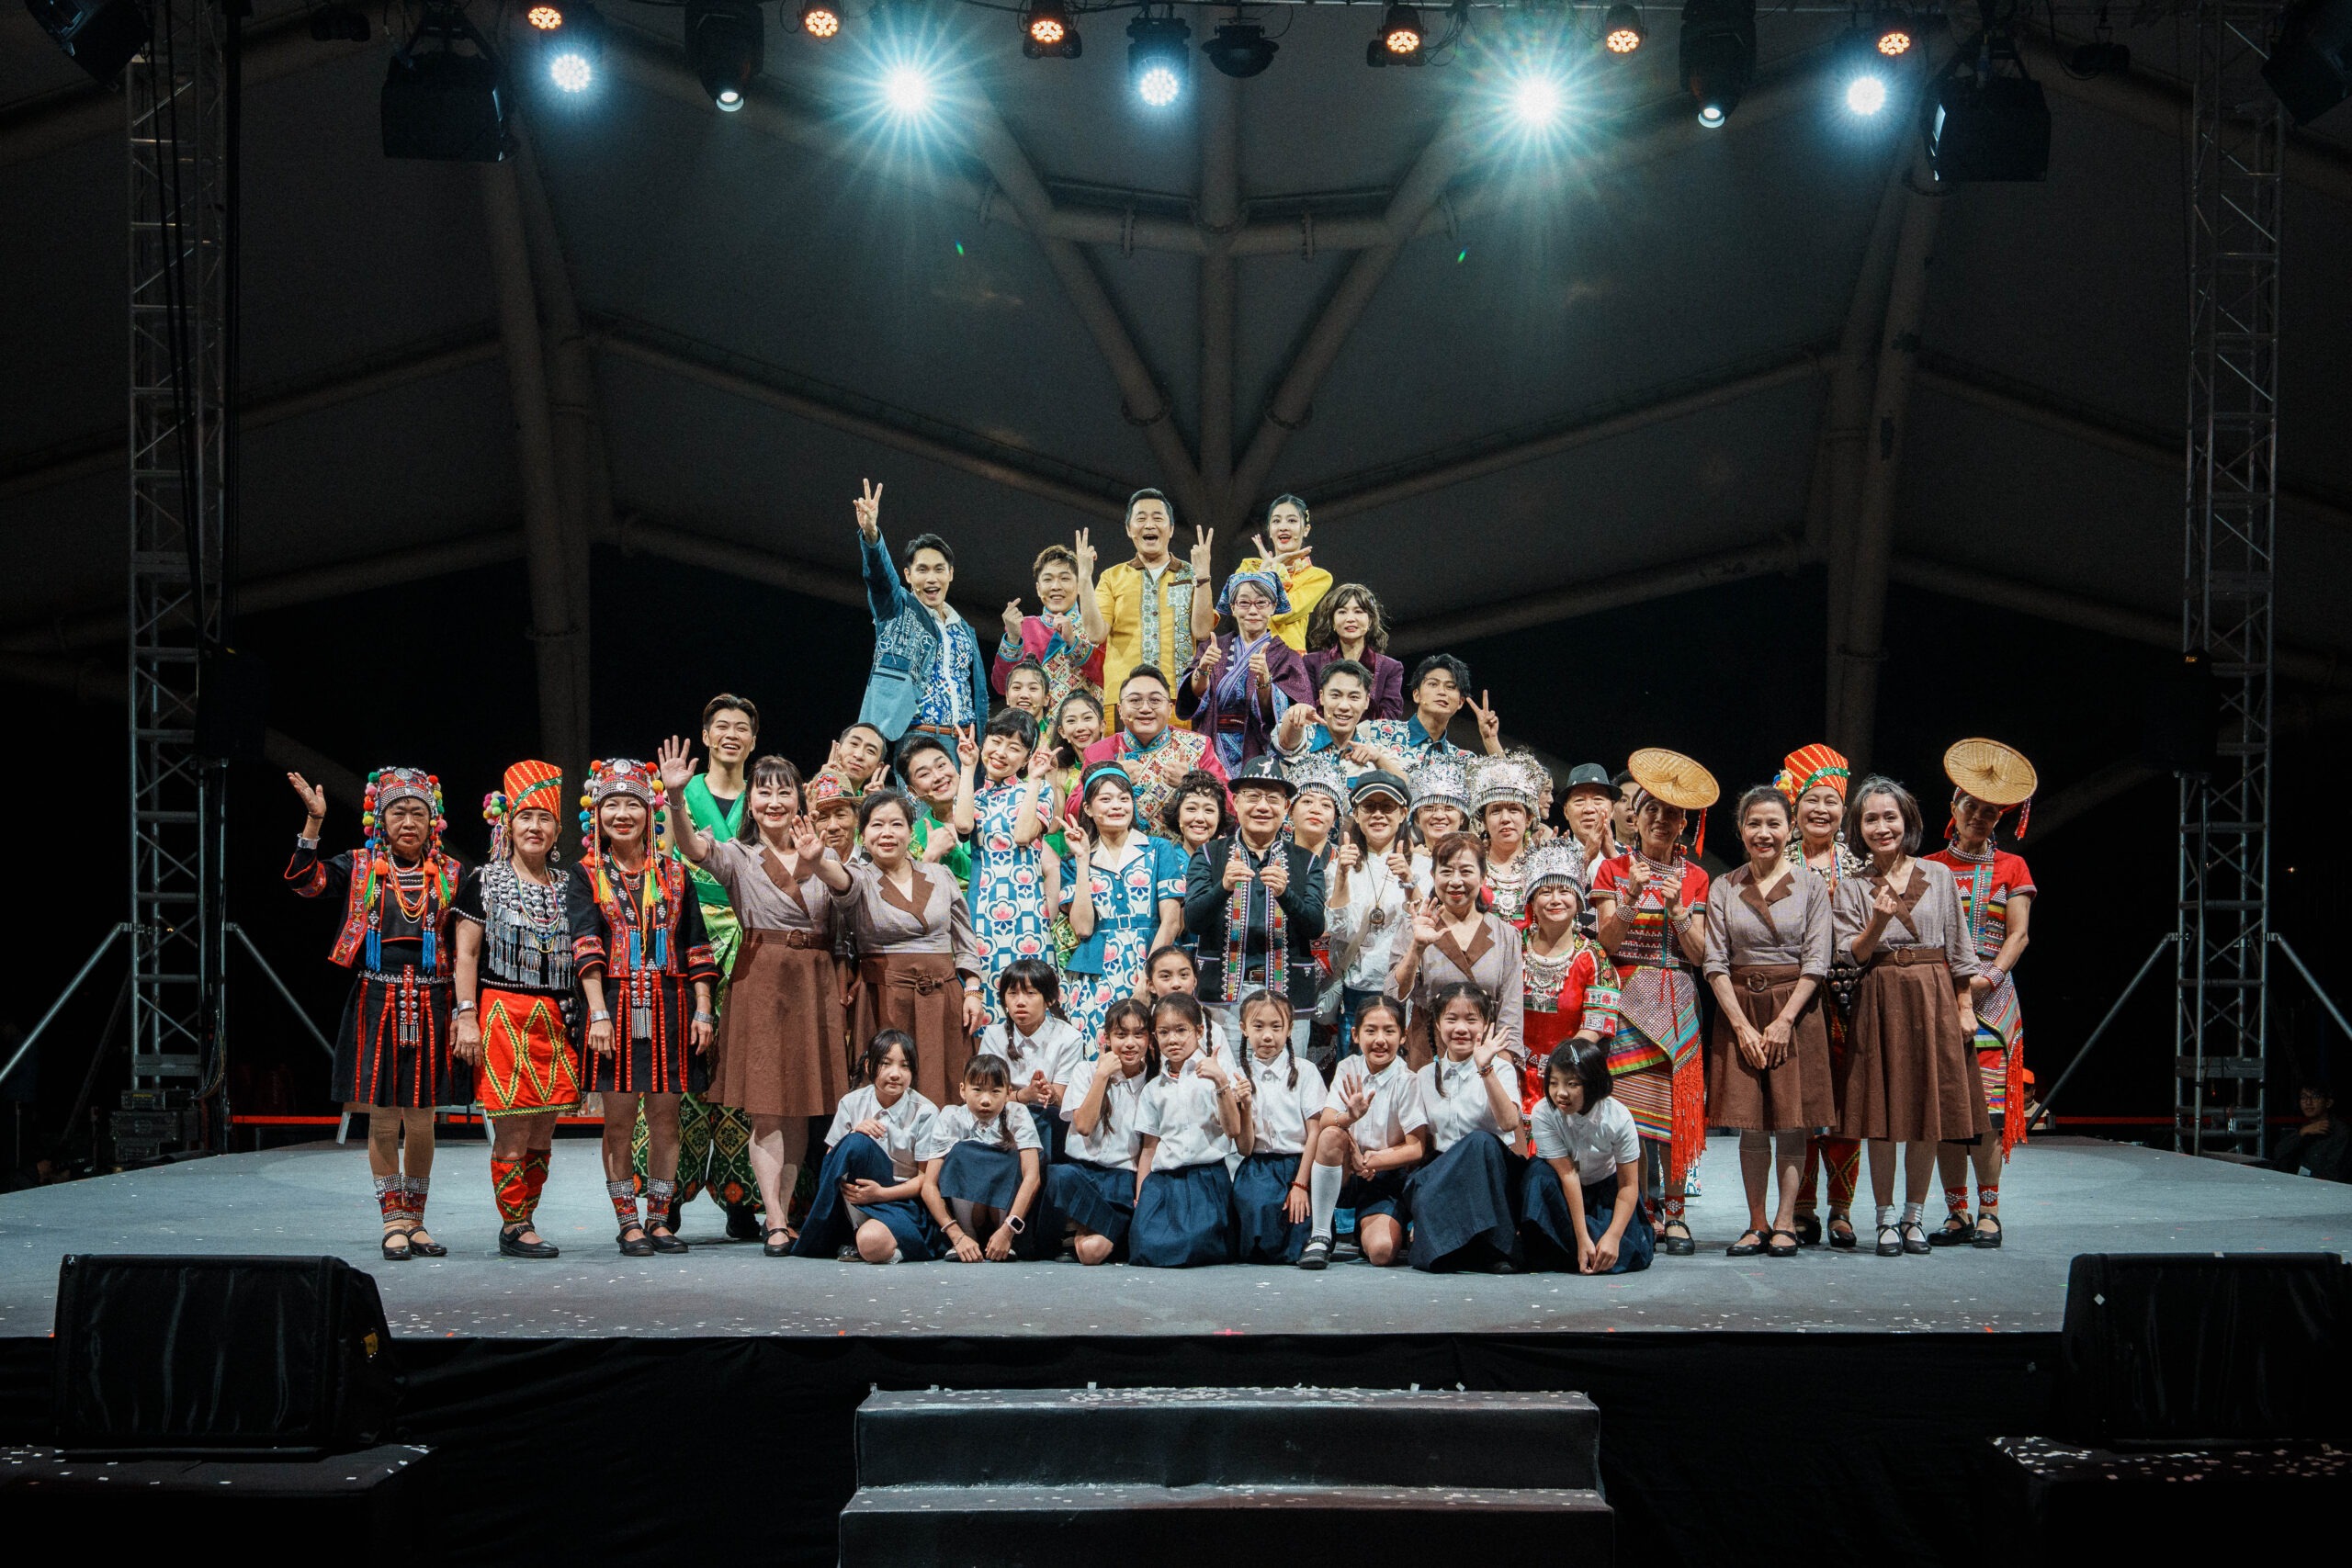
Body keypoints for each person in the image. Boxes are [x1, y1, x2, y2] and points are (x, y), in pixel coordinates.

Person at [660, 740, 853, 1257]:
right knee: (768, 1109)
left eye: (784, 792)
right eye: (763, 792)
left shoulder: (824, 853)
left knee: (800, 1110)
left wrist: (819, 863)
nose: (774, 802)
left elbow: (849, 899)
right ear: (750, 802)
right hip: (762, 979)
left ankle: (783, 1212)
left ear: (799, 800)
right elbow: (693, 849)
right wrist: (676, 799)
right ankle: (775, 1220)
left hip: (815, 980)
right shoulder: (739, 856)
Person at [286, 766, 463, 1258]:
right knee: (384, 1120)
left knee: (423, 1120)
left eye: (418, 813)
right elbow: (303, 882)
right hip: (377, 999)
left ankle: (417, 1220)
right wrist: (314, 822)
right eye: (398, 812)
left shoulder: (451, 873)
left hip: (433, 1001)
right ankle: (393, 1222)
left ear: (433, 821)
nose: (408, 822)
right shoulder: (360, 865)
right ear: (380, 820)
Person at [570, 759, 720, 1257]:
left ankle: (658, 1218)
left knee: (665, 1121)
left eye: (632, 804)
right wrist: (596, 1013)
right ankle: (627, 1221)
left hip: (672, 1008)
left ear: (649, 812)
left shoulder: (675, 874)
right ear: (597, 814)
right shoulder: (586, 875)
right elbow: (586, 945)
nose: (622, 814)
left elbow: (696, 947)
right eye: (611, 804)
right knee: (617, 1123)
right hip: (613, 1008)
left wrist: (703, 1009)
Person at [1833, 775, 1987, 1258]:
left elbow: (1960, 947)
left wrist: (1965, 1006)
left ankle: (1914, 1216)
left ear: (1907, 821)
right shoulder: (1853, 886)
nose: (1882, 827)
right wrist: (1877, 922)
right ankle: (1884, 1218)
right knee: (1881, 1116)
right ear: (1859, 828)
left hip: (1933, 996)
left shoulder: (1937, 875)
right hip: (1879, 996)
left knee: (1926, 1114)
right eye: (1871, 819)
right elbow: (1851, 955)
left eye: (1890, 817)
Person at [1589, 750, 1717, 1256]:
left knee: (1675, 1112)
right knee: (1631, 1116)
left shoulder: (1696, 877)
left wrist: (1678, 910)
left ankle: (1677, 1211)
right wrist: (1630, 898)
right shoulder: (1611, 870)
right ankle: (1641, 1210)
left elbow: (1701, 956)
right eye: (1651, 810)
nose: (1661, 820)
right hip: (1624, 1003)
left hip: (1678, 1000)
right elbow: (1607, 944)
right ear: (1635, 817)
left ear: (1684, 823)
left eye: (1672, 813)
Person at [452, 761, 580, 1259]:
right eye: (525, 817)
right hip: (503, 1011)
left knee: (544, 1127)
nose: (534, 827)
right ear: (507, 823)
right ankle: (514, 1223)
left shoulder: (569, 885)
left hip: (556, 1016)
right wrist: (466, 1015)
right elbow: (466, 954)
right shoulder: (483, 880)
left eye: (545, 819)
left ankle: (527, 1216)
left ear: (558, 830)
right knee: (513, 1124)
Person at [1702, 785, 1836, 1260]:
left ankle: (1785, 1222)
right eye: (1754, 824)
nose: (1764, 833)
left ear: (1790, 829)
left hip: (1794, 1010)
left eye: (1773, 824)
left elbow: (1817, 960)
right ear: (1741, 830)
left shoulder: (1810, 886)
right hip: (1739, 1008)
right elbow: (1715, 962)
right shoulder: (1725, 886)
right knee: (1751, 1124)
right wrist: (1741, 1026)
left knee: (1791, 1123)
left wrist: (1783, 1022)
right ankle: (1756, 1223)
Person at [653, 694, 763, 1245]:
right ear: (705, 734)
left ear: (753, 740)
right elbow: (660, 864)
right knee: (683, 1062)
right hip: (688, 935)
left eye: (742, 728)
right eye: (721, 726)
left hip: (751, 939)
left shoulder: (763, 793)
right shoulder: (681, 793)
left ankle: (742, 1196)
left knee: (743, 1064)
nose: (731, 735)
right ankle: (666, 1195)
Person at [1924, 738, 2040, 1248]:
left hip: (1993, 1001)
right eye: (1971, 806)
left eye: (1990, 811)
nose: (1979, 816)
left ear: (2000, 818)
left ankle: (1990, 1211)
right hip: (1938, 998)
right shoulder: (1929, 867)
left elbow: (2019, 935)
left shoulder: (2013, 867)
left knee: (1990, 1114)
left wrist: (1985, 979)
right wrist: (1949, 986)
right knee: (1947, 1112)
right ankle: (1957, 1213)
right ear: (1954, 806)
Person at [842, 790, 986, 1110]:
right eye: (877, 825)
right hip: (885, 998)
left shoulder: (940, 874)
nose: (887, 833)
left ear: (911, 831)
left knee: (947, 1086)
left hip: (943, 999)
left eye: (896, 824)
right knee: (886, 1092)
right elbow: (836, 881)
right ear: (862, 835)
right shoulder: (858, 878)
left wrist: (973, 991)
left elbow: (965, 940)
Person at [1777, 742, 1864, 1247]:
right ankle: (1802, 1207)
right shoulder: (1775, 864)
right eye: (1812, 799)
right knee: (1803, 1104)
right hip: (1794, 999)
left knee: (1847, 1107)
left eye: (1831, 801)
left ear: (1843, 810)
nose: (1821, 810)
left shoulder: (1860, 868)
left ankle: (1842, 1209)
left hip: (1848, 1000)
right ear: (1795, 805)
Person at [1184, 754, 1329, 1043]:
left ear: (1286, 808)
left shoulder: (1307, 862)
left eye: (1273, 799)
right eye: (1253, 797)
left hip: (1289, 999)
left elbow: (1315, 927)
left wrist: (1286, 895)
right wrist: (1223, 887)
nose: (1263, 806)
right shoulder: (1209, 855)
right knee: (1224, 1072)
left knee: (1288, 1072)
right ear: (1236, 802)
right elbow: (1193, 921)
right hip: (1223, 1000)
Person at [852, 477, 989, 743]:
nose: (931, 579)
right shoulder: (898, 610)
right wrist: (871, 535)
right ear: (908, 575)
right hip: (917, 738)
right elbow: (880, 580)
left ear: (950, 574)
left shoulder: (964, 630)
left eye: (939, 569)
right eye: (922, 570)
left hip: (965, 744)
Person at [1060, 763, 1187, 1047]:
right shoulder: (1074, 860)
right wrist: (1082, 860)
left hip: (1150, 963)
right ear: (1088, 808)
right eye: (1105, 799)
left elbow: (1171, 922)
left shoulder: (1158, 849)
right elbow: (1083, 928)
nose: (1116, 806)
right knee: (1100, 1049)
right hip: (1097, 972)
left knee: (1155, 1048)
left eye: (1124, 798)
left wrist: (1148, 978)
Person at [1297, 996, 1428, 1269]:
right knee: (1330, 1135)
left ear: (1403, 1036)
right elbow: (1327, 1120)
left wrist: (1372, 1161)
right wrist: (1349, 1118)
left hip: (1384, 1176)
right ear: (1356, 1035)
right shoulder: (1348, 1067)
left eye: (1389, 1031)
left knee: (1381, 1252)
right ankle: (1320, 1235)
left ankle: (1376, 1226)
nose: (1380, 1040)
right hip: (1346, 1169)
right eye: (1371, 1030)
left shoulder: (1407, 1080)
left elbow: (1416, 1147)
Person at [1403, 983, 1525, 1272]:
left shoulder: (1501, 1069)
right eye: (1451, 1019)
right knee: (1424, 1175)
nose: (1461, 1028)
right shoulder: (1423, 1076)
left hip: (1493, 1175)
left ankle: (1496, 1246)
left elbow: (1510, 1123)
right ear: (1437, 1023)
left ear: (1485, 1024)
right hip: (1446, 1175)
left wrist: (1485, 1069)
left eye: (1471, 1020)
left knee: (1479, 1142)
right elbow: (1423, 1142)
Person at [793, 1032, 941, 1264]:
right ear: (869, 1066)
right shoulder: (851, 1102)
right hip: (850, 1203)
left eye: (904, 1066)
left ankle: (886, 1246)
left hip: (900, 1201)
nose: (895, 1074)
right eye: (886, 1064)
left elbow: (925, 1179)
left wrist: (881, 1194)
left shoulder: (925, 1111)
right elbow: (832, 1165)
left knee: (871, 1242)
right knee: (856, 1143)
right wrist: (853, 1134)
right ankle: (846, 1231)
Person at [952, 710, 1058, 1025]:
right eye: (995, 741)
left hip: (1027, 905)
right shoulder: (974, 794)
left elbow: (1024, 834)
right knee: (988, 994)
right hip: (983, 904)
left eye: (1014, 748)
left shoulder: (1039, 790)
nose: (1001, 752)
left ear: (1026, 758)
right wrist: (968, 768)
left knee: (1031, 989)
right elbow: (963, 825)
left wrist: (1035, 780)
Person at [1128, 993, 1247, 1268]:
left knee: (1194, 1244)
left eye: (1181, 1030)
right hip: (1164, 1182)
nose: (1173, 1039)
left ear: (1199, 1031)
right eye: (1164, 1032)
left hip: (1205, 1178)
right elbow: (1149, 1148)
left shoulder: (1213, 1077)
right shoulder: (1153, 1089)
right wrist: (1141, 1196)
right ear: (1155, 1037)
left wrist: (1220, 1081)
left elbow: (1233, 1130)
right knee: (1143, 1244)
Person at [1391, 835, 1525, 1071]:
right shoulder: (1414, 928)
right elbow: (1395, 994)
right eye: (1446, 872)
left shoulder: (1505, 935)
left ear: (1483, 877)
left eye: (1465, 871)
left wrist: (1501, 1072)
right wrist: (1417, 947)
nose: (1455, 881)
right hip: (1428, 1054)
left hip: (1487, 1057)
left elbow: (1510, 1015)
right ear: (1433, 875)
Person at [1521, 1039, 1653, 1274]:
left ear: (1593, 1083)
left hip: (1606, 1190)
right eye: (1553, 1083)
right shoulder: (1543, 1113)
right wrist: (1582, 1238)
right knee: (1537, 1173)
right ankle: (1574, 1248)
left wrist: (1613, 1236)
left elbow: (1628, 1185)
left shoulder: (1619, 1118)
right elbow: (1568, 1174)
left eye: (1572, 1084)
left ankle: (1574, 1250)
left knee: (1623, 1250)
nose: (1561, 1093)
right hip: (1564, 1191)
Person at [1085, 489, 1219, 716]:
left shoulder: (1191, 574)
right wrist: (1083, 579)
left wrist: (1203, 576)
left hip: (1178, 698)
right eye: (1141, 518)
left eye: (1158, 518)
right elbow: (1095, 634)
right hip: (1124, 700)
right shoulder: (1111, 577)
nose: (1149, 525)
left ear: (1171, 529)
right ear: (1129, 529)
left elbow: (1202, 631)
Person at [1051, 998, 1157, 1264]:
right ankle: (1120, 1233)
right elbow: (1084, 1126)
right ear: (1106, 1037)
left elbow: (1149, 1148)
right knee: (1059, 1176)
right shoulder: (1085, 1071)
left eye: (1139, 1034)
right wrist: (1102, 1076)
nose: (1130, 1043)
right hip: (1081, 1176)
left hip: (1121, 1180)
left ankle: (1084, 1229)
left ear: (1149, 1039)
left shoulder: (1154, 1082)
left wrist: (1140, 1196)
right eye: (1121, 1035)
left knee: (1091, 1253)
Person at [1518, 840, 1619, 1117]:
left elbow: (1597, 1023)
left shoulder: (1593, 956)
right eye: (1545, 891)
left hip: (1571, 1080)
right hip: (1514, 1073)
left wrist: (1560, 1069)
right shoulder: (1513, 948)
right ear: (1532, 901)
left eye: (1564, 891)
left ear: (1578, 902)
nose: (1555, 900)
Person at [1322, 771, 1415, 1066]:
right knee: (1354, 1079)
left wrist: (1411, 883)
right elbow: (1339, 929)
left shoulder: (1422, 865)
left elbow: (1425, 929)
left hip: (1405, 995)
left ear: (1403, 814)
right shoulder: (1340, 865)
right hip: (1356, 995)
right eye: (1369, 807)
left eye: (1387, 807)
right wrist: (1341, 876)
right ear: (1357, 814)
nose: (1378, 815)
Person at [1229, 991, 1329, 1264]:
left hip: (1300, 1164)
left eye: (1276, 1027)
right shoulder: (1238, 1075)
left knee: (1298, 1225)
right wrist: (1245, 1105)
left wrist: (1300, 1184)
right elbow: (1245, 1148)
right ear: (1244, 1028)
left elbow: (1315, 1132)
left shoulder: (1305, 1071)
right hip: (1258, 1168)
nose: (1267, 1036)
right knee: (1256, 1237)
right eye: (1258, 1026)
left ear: (1289, 1029)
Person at [917, 1052, 1046, 1262]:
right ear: (963, 1090)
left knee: (1011, 1156)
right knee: (961, 1152)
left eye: (995, 1091)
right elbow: (929, 1185)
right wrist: (957, 1236)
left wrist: (1008, 1231)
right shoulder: (951, 1116)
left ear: (1008, 1093)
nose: (986, 1100)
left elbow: (1032, 1178)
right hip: (964, 1223)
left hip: (1005, 1220)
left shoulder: (1018, 1114)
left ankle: (1003, 1239)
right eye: (977, 1090)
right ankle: (968, 1236)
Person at [1179, 569, 1313, 771]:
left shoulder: (1287, 657)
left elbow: (1287, 717)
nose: (1253, 611)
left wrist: (1265, 682)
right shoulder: (1212, 648)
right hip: (1213, 747)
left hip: (1259, 748)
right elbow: (1191, 699)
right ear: (1233, 607)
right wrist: (1203, 669)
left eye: (1261, 603)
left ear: (1273, 607)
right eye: (1244, 603)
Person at [1081, 668, 1230, 829]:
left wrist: (1191, 780)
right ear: (1120, 710)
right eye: (1135, 700)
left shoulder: (1198, 746)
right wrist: (1113, 779)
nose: (1145, 708)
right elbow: (1075, 809)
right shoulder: (1098, 752)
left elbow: (1230, 804)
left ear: (1170, 709)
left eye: (1155, 700)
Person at [973, 957, 1084, 1158]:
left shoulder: (1069, 1038)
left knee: (1045, 1117)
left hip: (1047, 1120)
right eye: (1012, 993)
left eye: (1030, 993)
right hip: (1001, 1116)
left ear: (1049, 1000)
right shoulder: (994, 1035)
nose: (1020, 1002)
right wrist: (1025, 1095)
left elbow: (1062, 1100)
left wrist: (1048, 1093)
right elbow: (985, 1095)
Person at [994, 537, 1105, 713]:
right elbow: (1002, 687)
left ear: (1078, 585)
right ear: (1038, 588)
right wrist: (1013, 639)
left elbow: (1106, 677)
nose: (1055, 586)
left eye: (1065, 579)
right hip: (1034, 727)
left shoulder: (1094, 626)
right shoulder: (1024, 627)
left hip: (1083, 726)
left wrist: (1073, 642)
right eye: (1048, 580)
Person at [1270, 658, 1408, 780]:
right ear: (1322, 697)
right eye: (1335, 695)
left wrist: (1378, 760)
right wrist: (1294, 717)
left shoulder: (1374, 752)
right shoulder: (1303, 737)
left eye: (1354, 697)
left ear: (1366, 702)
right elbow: (1286, 742)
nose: (1344, 706)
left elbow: (1406, 786)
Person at [1354, 654, 1506, 761]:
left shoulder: (1462, 760)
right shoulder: (1376, 732)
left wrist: (1491, 740)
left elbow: (1507, 790)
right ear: (1416, 695)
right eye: (1433, 684)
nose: (1442, 692)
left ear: (1460, 702)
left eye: (1450, 687)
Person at [1231, 494, 1331, 651]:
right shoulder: (1248, 567)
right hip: (1249, 656)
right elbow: (1239, 609)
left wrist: (1274, 571)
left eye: (1292, 521)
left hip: (1290, 659)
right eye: (1276, 521)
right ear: (1270, 531)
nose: (1283, 527)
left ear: (1305, 530)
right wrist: (1265, 571)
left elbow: (1282, 613)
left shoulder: (1318, 577)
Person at [1303, 581, 1406, 721]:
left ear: (1370, 620)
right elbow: (1307, 711)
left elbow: (1391, 716)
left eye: (1358, 611)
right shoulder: (1311, 662)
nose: (1350, 619)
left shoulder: (1391, 668)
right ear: (1332, 621)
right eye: (1342, 612)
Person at [1470, 753, 1546, 923]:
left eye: (1514, 810)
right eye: (1495, 811)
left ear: (1529, 819)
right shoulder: (1470, 866)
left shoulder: (1543, 868)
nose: (1505, 818)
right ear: (1484, 822)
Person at [897, 731, 975, 890]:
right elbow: (910, 896)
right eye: (924, 774)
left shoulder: (996, 810)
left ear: (954, 766)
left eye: (941, 765)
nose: (938, 776)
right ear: (912, 791)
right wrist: (931, 856)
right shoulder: (911, 840)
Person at [1144, 943, 1238, 1060]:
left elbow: (1227, 1070)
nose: (1176, 984)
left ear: (1195, 981)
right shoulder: (1142, 1028)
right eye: (1166, 976)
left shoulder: (1212, 1028)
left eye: (1184, 975)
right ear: (1150, 985)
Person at [1405, 752, 1473, 895]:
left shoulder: (1477, 858)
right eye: (1429, 808)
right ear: (1416, 819)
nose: (1439, 816)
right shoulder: (1407, 860)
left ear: (1462, 818)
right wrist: (1415, 861)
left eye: (1449, 808)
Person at [2268, 1084, 2352, 1183]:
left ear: (2328, 1103)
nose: (2308, 1102)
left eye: (2315, 1097)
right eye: (2304, 1097)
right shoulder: (2304, 1128)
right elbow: (2278, 1153)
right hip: (2299, 1183)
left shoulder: (2341, 1132)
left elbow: (2334, 1173)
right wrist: (2301, 1134)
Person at [1560, 763, 1623, 875]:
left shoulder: (1630, 855)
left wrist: (1613, 857)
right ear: (1566, 811)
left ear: (1612, 809)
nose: (1589, 809)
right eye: (1579, 800)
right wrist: (1587, 856)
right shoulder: (1555, 857)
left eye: (1598, 799)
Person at [826, 721, 894, 795]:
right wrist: (822, 783)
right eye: (854, 744)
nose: (859, 755)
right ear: (837, 749)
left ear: (879, 767)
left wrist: (870, 801)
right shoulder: (816, 789)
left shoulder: (867, 800)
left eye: (870, 751)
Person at [998, 658, 1052, 724]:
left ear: (1046, 699)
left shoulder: (1057, 730)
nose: (1024, 695)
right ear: (1007, 697)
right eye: (1017, 687)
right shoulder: (995, 730)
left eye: (1033, 688)